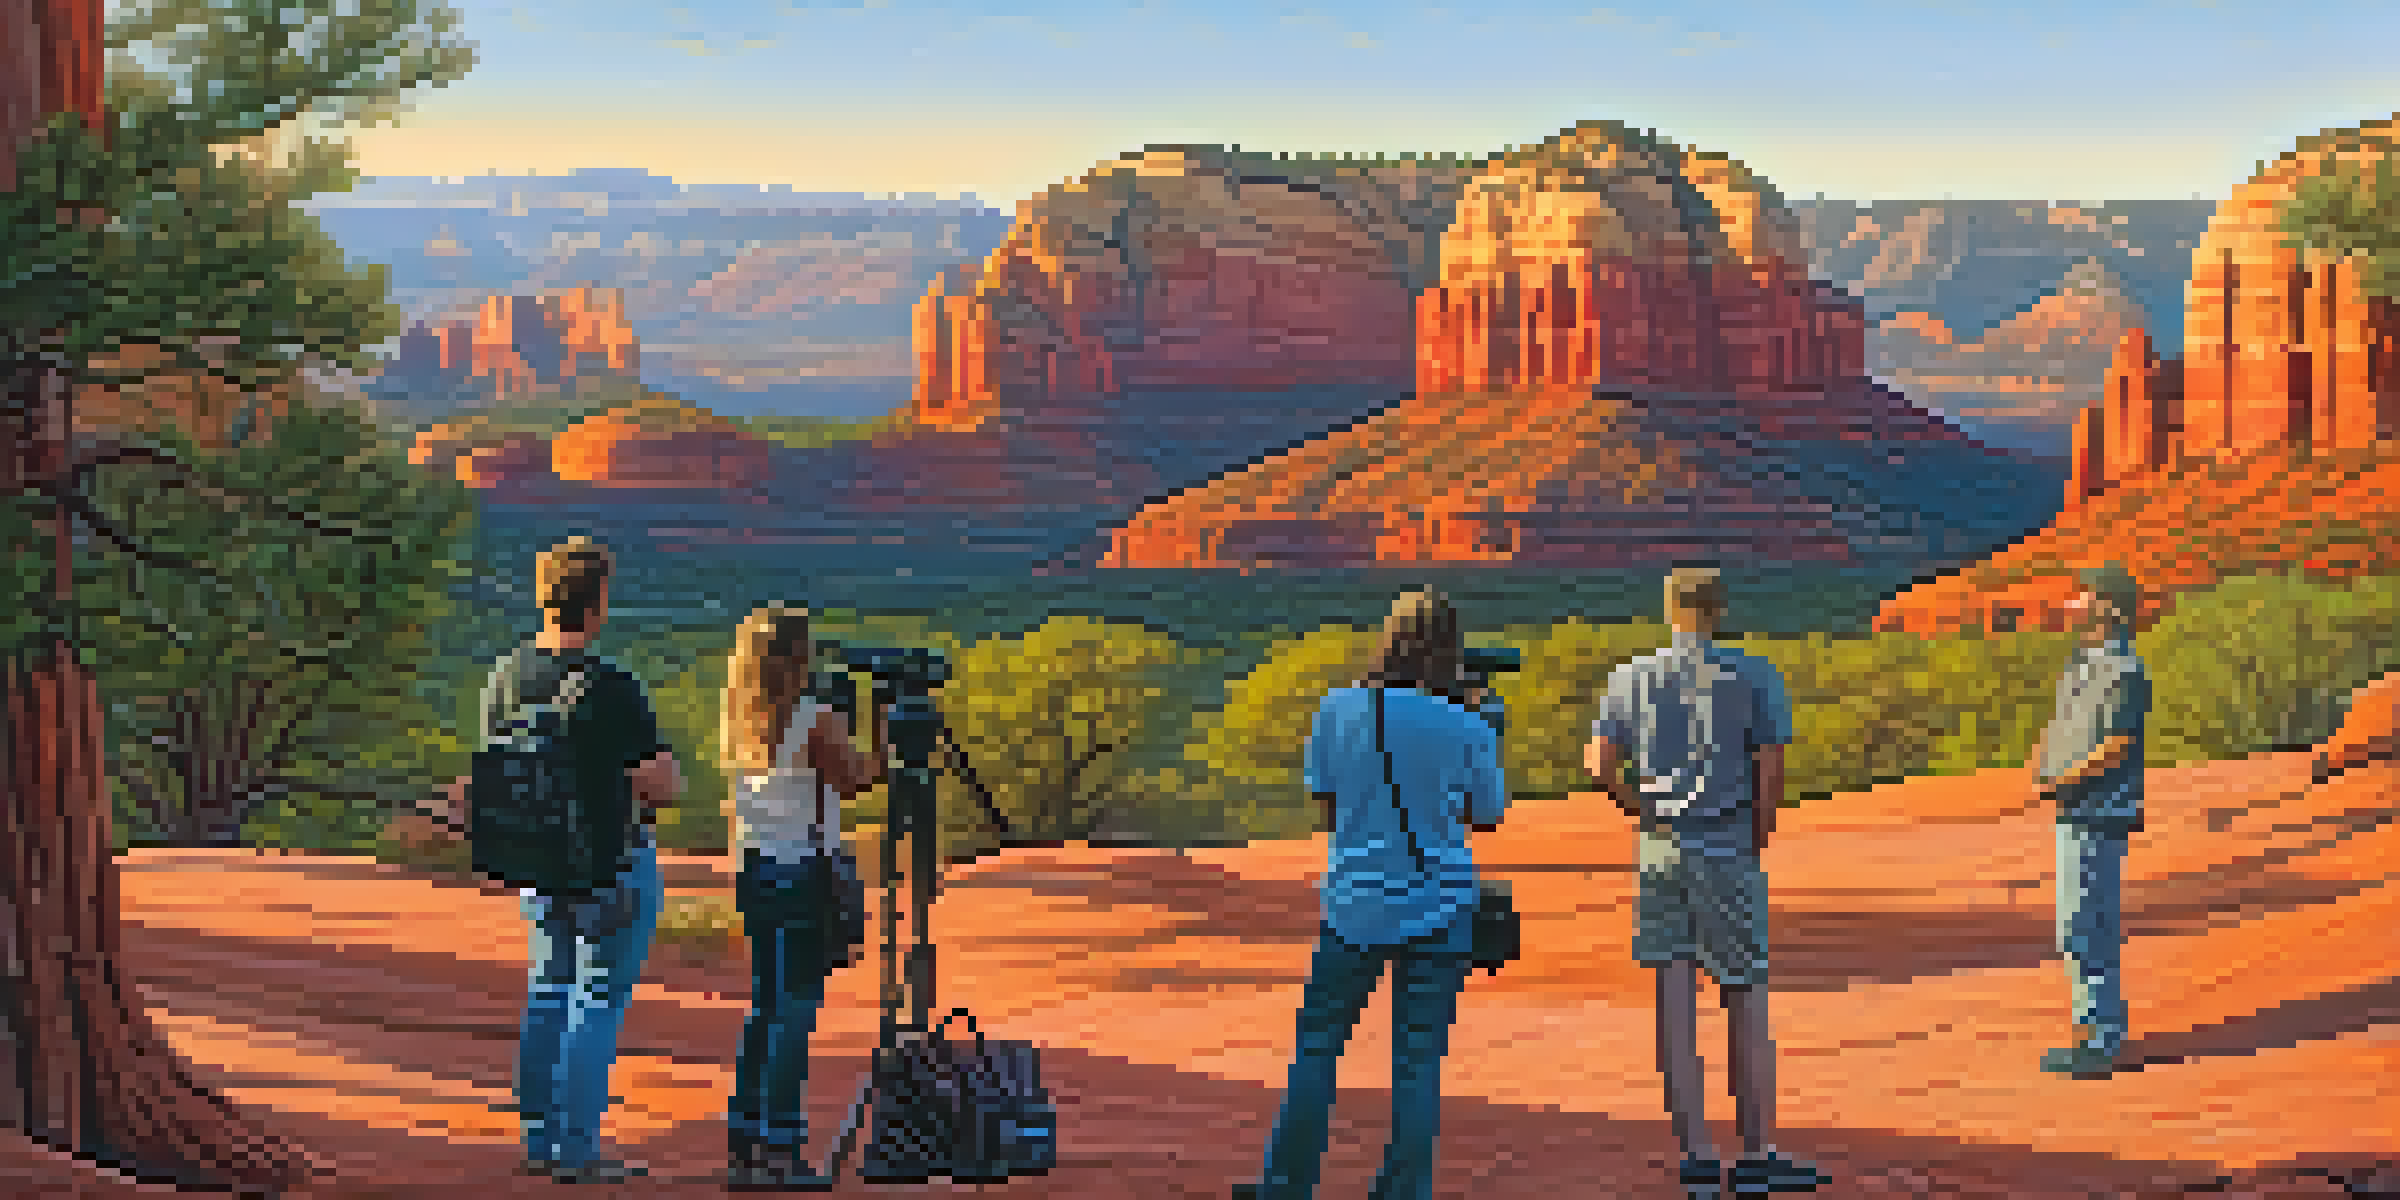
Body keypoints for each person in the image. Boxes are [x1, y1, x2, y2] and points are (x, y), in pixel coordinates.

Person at [1235, 589, 1509, 1200]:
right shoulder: (1465, 724)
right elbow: (1487, 816)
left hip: (1352, 904)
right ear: (1449, 651)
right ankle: (1402, 1191)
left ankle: (1285, 1185)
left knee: (1317, 1050)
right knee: (1417, 1062)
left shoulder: (1336, 710)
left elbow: (1329, 808)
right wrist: (1480, 728)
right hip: (1439, 906)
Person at [434, 535, 682, 1184]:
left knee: (549, 991)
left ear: (545, 599)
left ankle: (540, 1138)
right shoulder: (612, 686)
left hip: (536, 864)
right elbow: (661, 784)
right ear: (596, 605)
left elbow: (489, 767)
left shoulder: (506, 676)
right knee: (597, 1000)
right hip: (608, 866)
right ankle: (578, 1151)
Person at [1585, 566, 1828, 1198]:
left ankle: (1697, 1155)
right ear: (1720, 610)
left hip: (1660, 849)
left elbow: (1598, 764)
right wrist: (1757, 838)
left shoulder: (1630, 678)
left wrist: (1639, 808)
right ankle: (1756, 1154)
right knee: (1744, 995)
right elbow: (1769, 769)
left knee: (1673, 998)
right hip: (1726, 845)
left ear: (1668, 611)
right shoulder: (1754, 676)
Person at [716, 606, 886, 1190]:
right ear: (798, 659)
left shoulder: (738, 715)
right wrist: (883, 728)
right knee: (795, 1012)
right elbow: (857, 778)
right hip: (802, 873)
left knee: (767, 1008)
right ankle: (783, 1147)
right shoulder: (813, 718)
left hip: (755, 868)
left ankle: (746, 1141)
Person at [2025, 563, 2149, 1078]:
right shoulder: (2085, 662)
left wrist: (2066, 778)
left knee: (2087, 923)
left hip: (2099, 809)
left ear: (2109, 609)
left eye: (2084, 596)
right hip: (2075, 807)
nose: (2074, 603)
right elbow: (2064, 724)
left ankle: (2099, 1039)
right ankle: (2093, 1027)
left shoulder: (2124, 669)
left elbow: (2119, 743)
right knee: (2075, 924)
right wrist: (2040, 760)